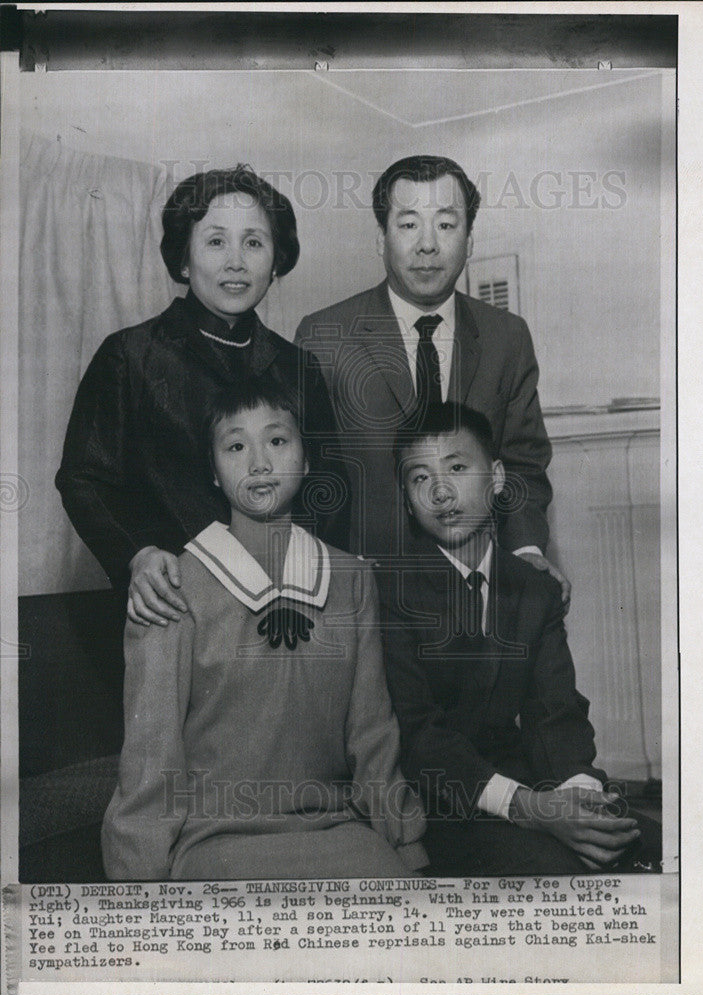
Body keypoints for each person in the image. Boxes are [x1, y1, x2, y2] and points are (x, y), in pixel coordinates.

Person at [101, 377, 427, 880]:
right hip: (215, 841)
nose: (259, 463)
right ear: (212, 471)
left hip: (337, 833)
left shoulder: (352, 578)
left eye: (277, 441)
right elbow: (150, 759)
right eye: (235, 446)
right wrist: (138, 888)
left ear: (308, 458)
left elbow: (373, 736)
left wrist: (407, 851)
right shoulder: (170, 584)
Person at [376, 401, 661, 875]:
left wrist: (580, 797)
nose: (441, 493)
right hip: (441, 806)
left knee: (657, 848)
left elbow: (556, 710)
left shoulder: (534, 588)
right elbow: (418, 736)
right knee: (560, 876)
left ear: (499, 477)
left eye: (458, 467)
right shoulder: (388, 592)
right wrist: (530, 808)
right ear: (406, 499)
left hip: (529, 787)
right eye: (419, 479)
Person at [56, 165, 348, 627]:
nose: (236, 261)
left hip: (287, 605)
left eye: (253, 242)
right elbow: (83, 478)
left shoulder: (298, 367)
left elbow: (330, 486)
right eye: (216, 241)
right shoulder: (129, 356)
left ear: (276, 261)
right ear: (184, 260)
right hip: (175, 609)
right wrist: (138, 556)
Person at [295, 154, 568, 602]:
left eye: (445, 225)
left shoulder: (507, 336)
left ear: (470, 239)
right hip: (365, 598)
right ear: (380, 238)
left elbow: (522, 463)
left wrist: (526, 549)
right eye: (408, 225)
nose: (427, 245)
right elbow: (308, 478)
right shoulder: (324, 336)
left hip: (479, 594)